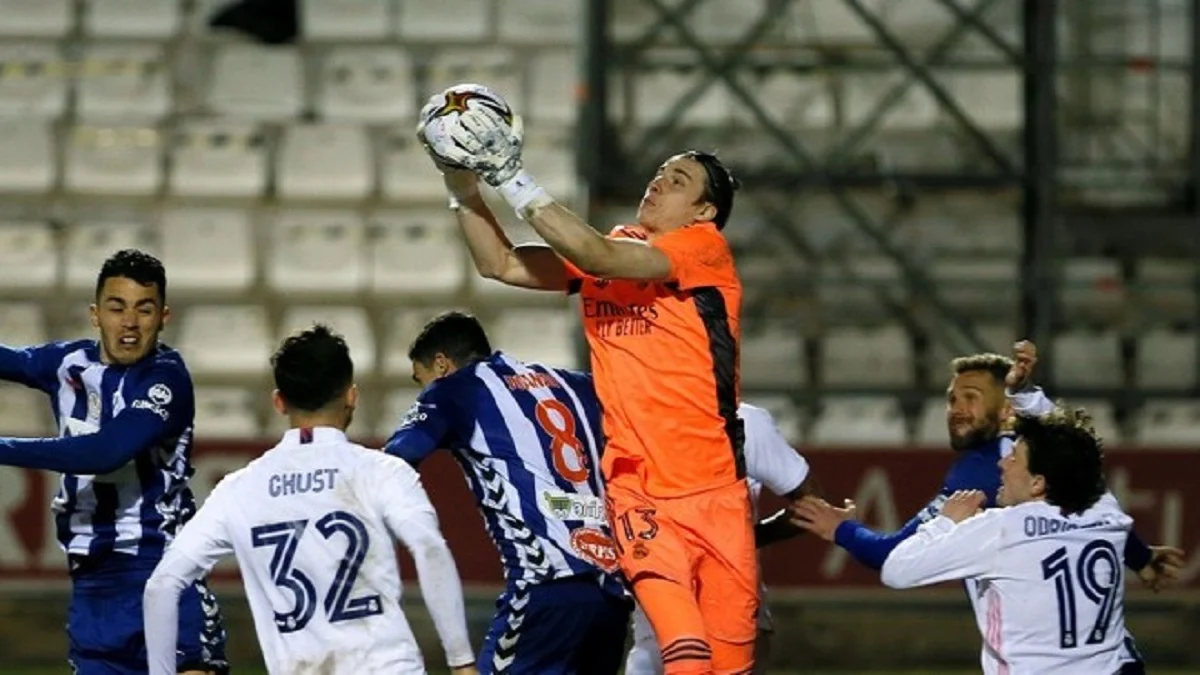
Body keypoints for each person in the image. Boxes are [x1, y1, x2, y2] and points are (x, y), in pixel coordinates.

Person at [421, 98, 755, 674]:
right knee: (686, 657)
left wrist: (510, 175)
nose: (658, 183)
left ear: (703, 212)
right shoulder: (615, 251)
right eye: (659, 173)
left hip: (715, 491)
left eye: (678, 181)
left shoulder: (703, 251)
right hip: (638, 494)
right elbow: (500, 264)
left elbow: (596, 254)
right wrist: (463, 187)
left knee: (732, 667)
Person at [793, 341, 1186, 671]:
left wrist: (842, 530)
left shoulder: (987, 486)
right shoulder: (1087, 488)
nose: (957, 409)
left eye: (971, 398)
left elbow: (895, 561)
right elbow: (1092, 484)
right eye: (952, 399)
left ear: (1006, 411)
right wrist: (1140, 558)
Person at [143, 324, 477, 675]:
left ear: (279, 402)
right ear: (352, 396)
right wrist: (462, 661)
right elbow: (429, 549)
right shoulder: (384, 472)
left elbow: (161, 586)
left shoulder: (237, 490)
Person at [0, 249, 227, 675]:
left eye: (145, 309)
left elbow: (105, 453)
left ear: (163, 317)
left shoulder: (166, 378)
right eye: (117, 307)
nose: (130, 322)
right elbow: (9, 360)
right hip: (92, 583)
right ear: (95, 314)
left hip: (161, 570)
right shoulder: (67, 363)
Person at [384, 311, 631, 675]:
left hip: (545, 585)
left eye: (422, 380)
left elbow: (393, 463)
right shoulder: (572, 383)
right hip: (611, 592)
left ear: (441, 364)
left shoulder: (456, 388)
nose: (424, 391)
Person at [881, 407, 1136, 673]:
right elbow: (1083, 464)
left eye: (1013, 458)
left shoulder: (1001, 529)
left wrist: (945, 522)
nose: (1002, 464)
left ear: (1037, 483)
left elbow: (896, 570)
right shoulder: (1111, 517)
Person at [624, 402, 812, 675]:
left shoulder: (745, 421)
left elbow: (811, 505)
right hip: (662, 622)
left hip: (729, 610)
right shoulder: (631, 417)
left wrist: (737, 542)